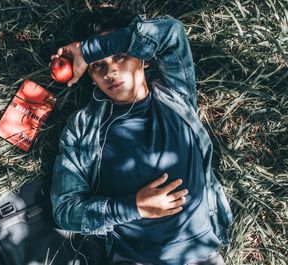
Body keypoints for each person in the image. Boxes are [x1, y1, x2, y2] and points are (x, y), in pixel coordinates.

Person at [49, 7, 233, 265]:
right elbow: (65, 211)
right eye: (98, 65)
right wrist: (132, 207)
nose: (110, 72)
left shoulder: (174, 94)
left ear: (144, 58)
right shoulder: (83, 128)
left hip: (203, 255)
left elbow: (171, 32)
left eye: (121, 56)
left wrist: (88, 50)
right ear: (91, 77)